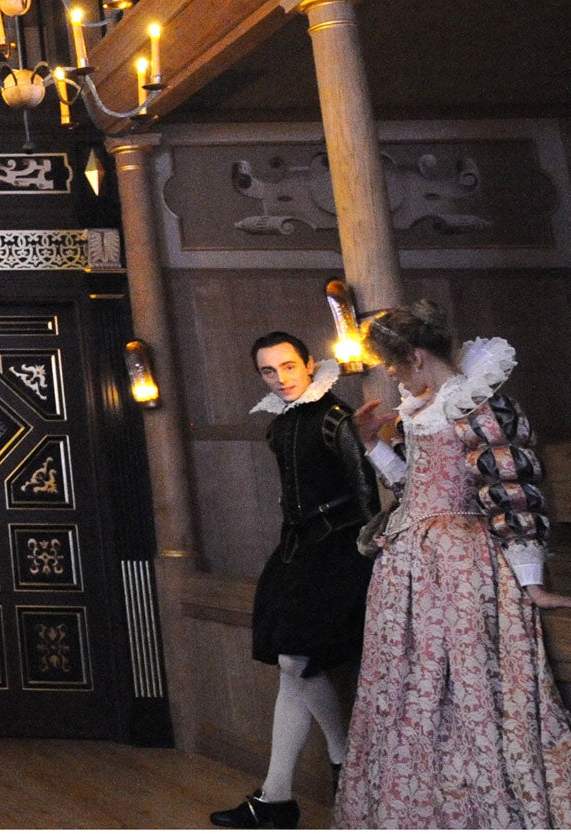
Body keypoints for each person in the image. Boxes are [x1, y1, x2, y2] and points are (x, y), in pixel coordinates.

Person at [334, 300, 571, 828]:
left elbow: (512, 491)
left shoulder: (477, 403)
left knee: (469, 689)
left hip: (462, 564)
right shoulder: (419, 406)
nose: (392, 374)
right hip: (411, 568)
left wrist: (531, 582)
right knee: (410, 690)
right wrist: (373, 445)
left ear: (417, 356)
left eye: (394, 364)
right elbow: (415, 488)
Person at [211, 332, 377, 829]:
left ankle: (329, 766)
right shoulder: (280, 425)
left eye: (288, 367)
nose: (280, 378)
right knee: (290, 664)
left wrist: (371, 556)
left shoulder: (333, 417)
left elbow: (365, 490)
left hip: (341, 549)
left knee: (295, 660)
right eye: (268, 371)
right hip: (297, 550)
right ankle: (283, 792)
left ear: (309, 364)